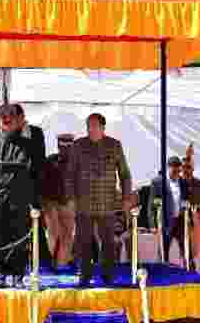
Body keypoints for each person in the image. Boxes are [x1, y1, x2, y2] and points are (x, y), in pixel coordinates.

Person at [63, 113, 133, 287]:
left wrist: (126, 197)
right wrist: (71, 198)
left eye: (94, 126)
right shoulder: (78, 145)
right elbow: (70, 175)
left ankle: (108, 276)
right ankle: (84, 276)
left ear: (103, 127)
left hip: (107, 204)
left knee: (108, 243)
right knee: (83, 242)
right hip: (83, 204)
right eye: (88, 126)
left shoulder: (114, 145)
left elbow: (124, 174)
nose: (91, 129)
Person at [0, 103, 45, 288]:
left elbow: (31, 169)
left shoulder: (28, 143)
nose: (5, 124)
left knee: (19, 238)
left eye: (9, 120)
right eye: (3, 121)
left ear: (16, 122)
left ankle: (17, 276)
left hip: (20, 197)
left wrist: (34, 200)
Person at [40, 134, 75, 270]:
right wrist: (43, 204)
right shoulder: (50, 161)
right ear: (58, 146)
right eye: (62, 146)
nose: (65, 149)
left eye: (68, 146)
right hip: (51, 202)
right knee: (53, 232)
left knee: (67, 234)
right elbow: (42, 182)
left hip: (69, 202)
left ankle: (62, 262)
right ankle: (55, 261)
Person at [149, 156, 187, 263]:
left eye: (178, 169)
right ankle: (162, 271)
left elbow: (185, 200)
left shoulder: (183, 182)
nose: (176, 171)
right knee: (163, 249)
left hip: (180, 220)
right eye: (173, 168)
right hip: (165, 221)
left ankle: (188, 271)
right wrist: (153, 224)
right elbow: (151, 204)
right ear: (168, 167)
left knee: (186, 249)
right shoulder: (158, 181)